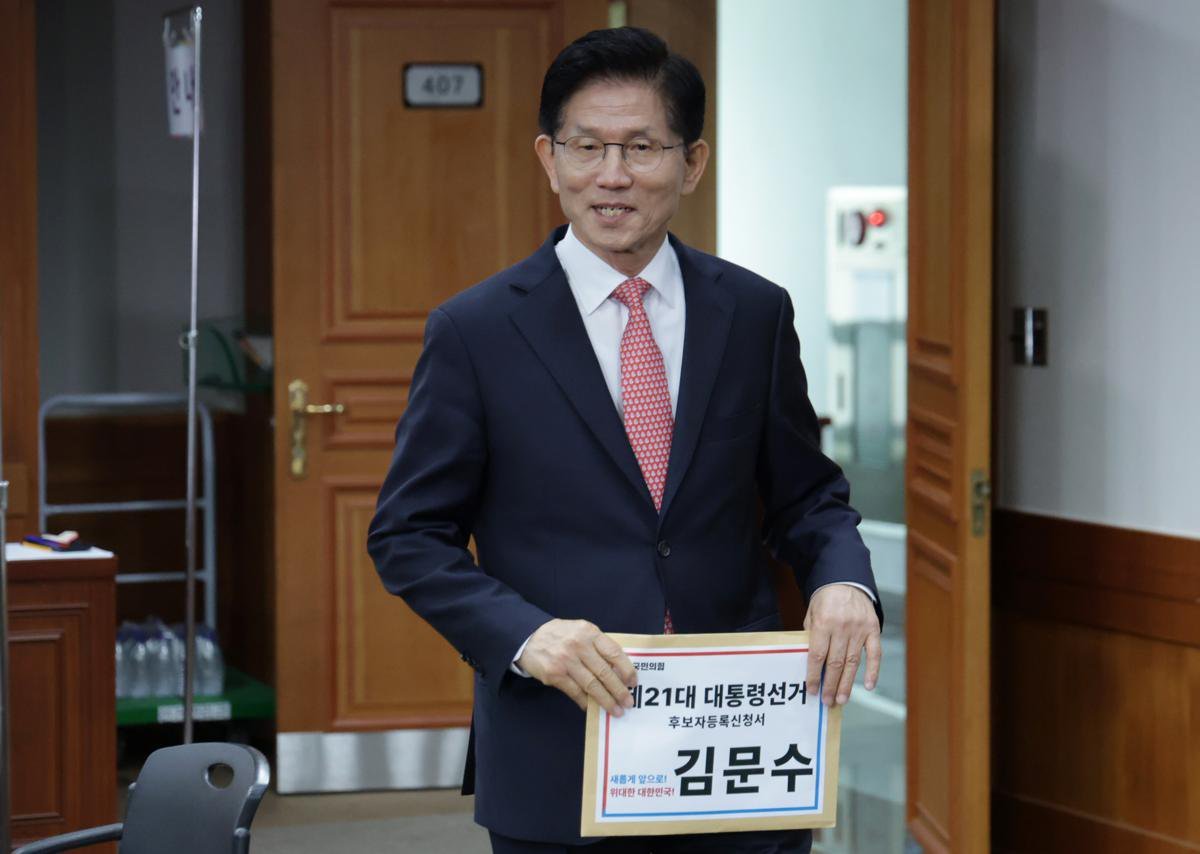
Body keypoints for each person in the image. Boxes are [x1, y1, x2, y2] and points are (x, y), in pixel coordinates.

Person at [367, 26, 883, 854]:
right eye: (587, 147)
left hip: (737, 747)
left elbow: (807, 497)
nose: (612, 175)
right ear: (549, 159)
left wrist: (845, 583)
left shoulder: (753, 313)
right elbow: (407, 535)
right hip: (560, 745)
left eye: (641, 147)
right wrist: (526, 636)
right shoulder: (476, 330)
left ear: (692, 162)